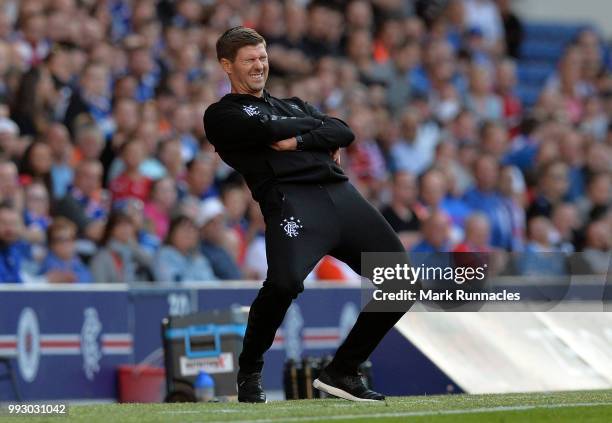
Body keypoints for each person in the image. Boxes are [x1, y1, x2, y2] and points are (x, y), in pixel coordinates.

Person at [203, 27, 407, 403]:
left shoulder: (293, 103)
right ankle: (249, 371)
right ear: (226, 65)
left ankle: (343, 371)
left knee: (402, 282)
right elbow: (273, 128)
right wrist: (318, 133)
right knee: (282, 285)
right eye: (249, 59)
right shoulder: (221, 114)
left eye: (262, 57)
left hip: (342, 197)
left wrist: (298, 139)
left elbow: (343, 130)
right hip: (291, 202)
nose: (259, 66)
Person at [153, 214, 217, 283]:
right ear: (172, 233)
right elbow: (172, 282)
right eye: (184, 230)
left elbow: (212, 283)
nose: (189, 234)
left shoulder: (199, 259)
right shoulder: (163, 255)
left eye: (192, 230)